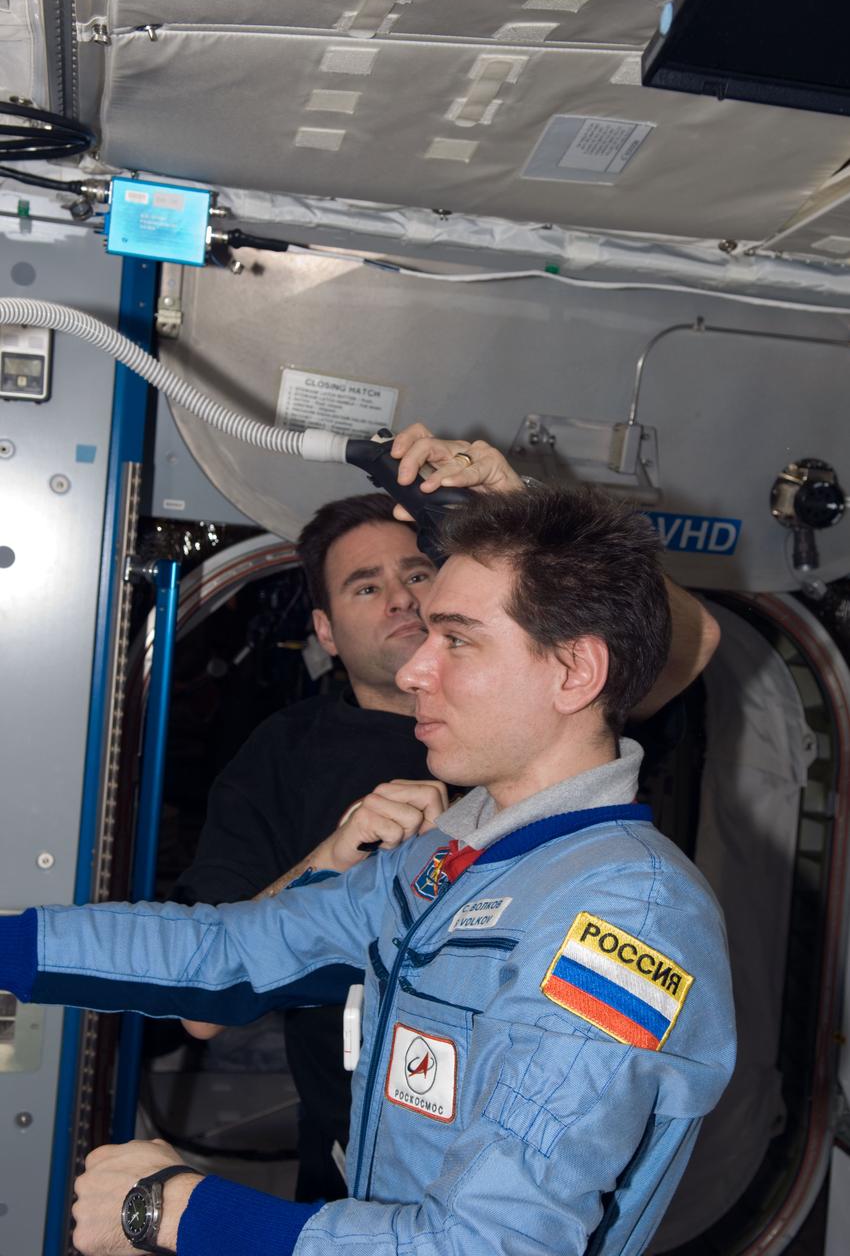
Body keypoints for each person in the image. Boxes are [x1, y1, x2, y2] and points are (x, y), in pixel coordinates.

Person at [0, 480, 735, 1256]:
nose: (416, 668)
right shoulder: (449, 858)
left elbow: (488, 1244)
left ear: (575, 673)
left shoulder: (625, 916)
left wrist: (172, 1210)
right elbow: (224, 954)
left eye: (455, 639)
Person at [174, 425, 720, 1200]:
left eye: (419, 574)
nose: (403, 598)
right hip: (353, 1179)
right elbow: (202, 1013)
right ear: (324, 631)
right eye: (365, 586)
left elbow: (693, 644)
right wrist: (331, 860)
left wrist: (521, 510)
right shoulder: (284, 756)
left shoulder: (543, 717)